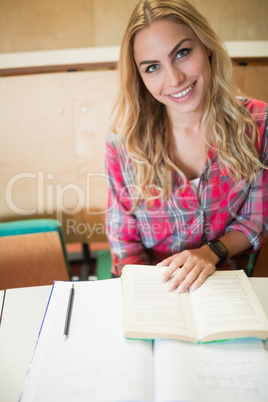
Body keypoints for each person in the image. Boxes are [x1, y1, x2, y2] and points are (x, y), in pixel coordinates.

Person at [105, 0, 268, 293]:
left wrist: (211, 253)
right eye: (153, 67)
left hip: (227, 286)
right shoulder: (123, 143)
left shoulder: (259, 123)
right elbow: (124, 241)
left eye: (182, 53)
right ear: (140, 77)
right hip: (157, 288)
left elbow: (256, 221)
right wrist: (150, 292)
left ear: (206, 45)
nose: (174, 78)